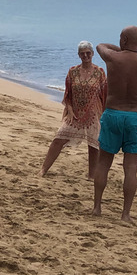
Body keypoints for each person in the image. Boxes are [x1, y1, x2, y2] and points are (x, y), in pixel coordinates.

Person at [92, 25, 137, 223]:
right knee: (131, 167)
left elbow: (100, 46)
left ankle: (97, 207)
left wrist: (121, 51)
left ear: (123, 40)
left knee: (103, 162)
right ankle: (125, 214)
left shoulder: (113, 58)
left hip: (113, 113)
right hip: (135, 117)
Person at [41, 41, 107, 178]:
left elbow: (105, 95)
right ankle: (43, 170)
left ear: (93, 54)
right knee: (58, 138)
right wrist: (69, 111)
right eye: (82, 53)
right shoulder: (73, 71)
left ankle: (92, 176)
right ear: (78, 55)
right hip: (74, 114)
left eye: (88, 53)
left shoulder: (100, 72)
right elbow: (68, 94)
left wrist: (105, 115)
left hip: (93, 115)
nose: (85, 55)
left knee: (94, 145)